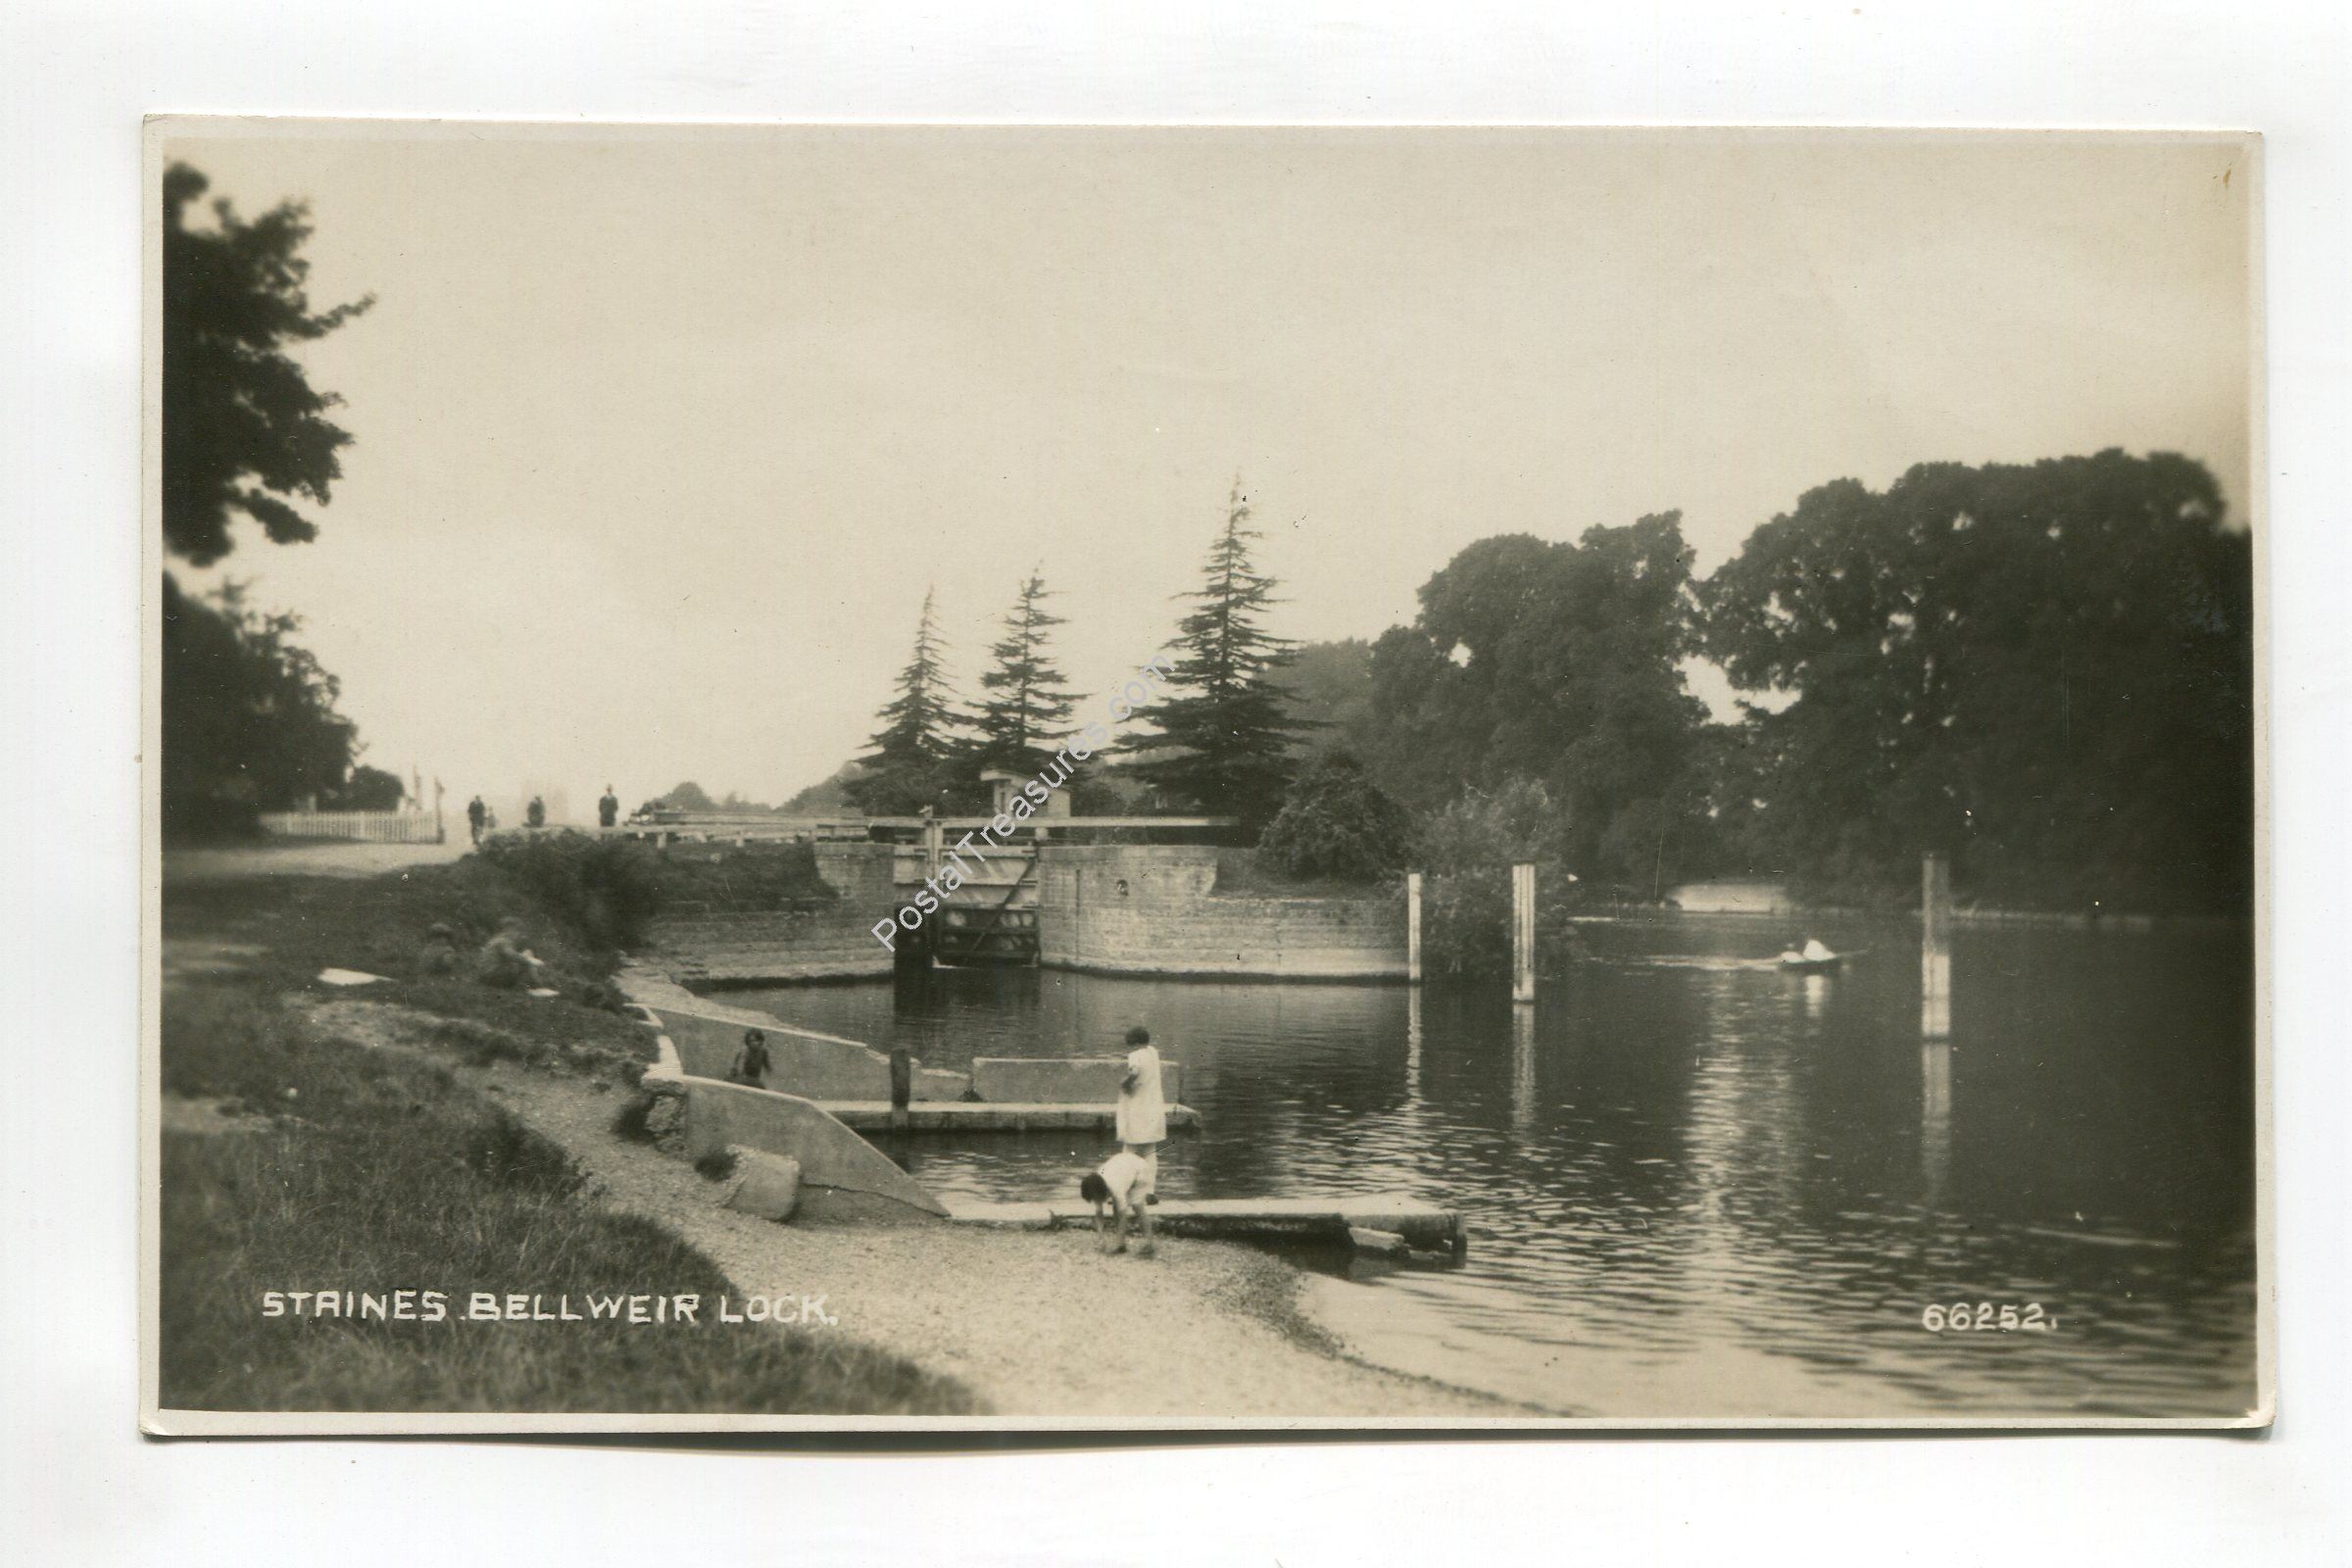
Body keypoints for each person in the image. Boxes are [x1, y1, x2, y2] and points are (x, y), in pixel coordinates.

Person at [1112, 1025, 1167, 1252]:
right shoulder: (1153, 1053)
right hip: (1153, 1108)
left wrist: (1125, 1083)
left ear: (1133, 1043)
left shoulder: (1135, 1055)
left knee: (1130, 1150)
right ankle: (1149, 1190)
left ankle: (1123, 1189)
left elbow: (1134, 1072)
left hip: (1137, 1109)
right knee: (1150, 1151)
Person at [1080, 1149, 1155, 1256]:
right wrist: (1101, 1238)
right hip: (1124, 1167)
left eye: (1096, 1198)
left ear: (1102, 1192)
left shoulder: (1116, 1187)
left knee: (1137, 1206)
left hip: (1140, 1170)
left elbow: (1124, 1216)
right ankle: (1121, 1245)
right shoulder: (1095, 1184)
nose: (1096, 1201)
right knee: (1116, 1207)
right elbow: (1099, 1213)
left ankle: (1149, 1244)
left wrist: (1115, 1243)